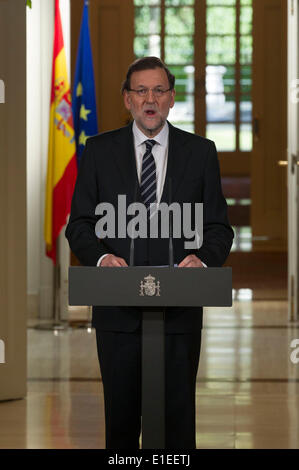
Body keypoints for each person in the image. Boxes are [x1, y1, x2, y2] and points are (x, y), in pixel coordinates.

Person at [65, 56, 233, 449]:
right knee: (121, 422)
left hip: (179, 311)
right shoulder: (99, 150)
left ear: (172, 99)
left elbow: (219, 227)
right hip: (116, 313)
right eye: (141, 90)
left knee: (177, 424)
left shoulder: (201, 152)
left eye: (159, 90)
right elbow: (80, 225)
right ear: (127, 100)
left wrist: (203, 260)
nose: (150, 99)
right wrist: (103, 259)